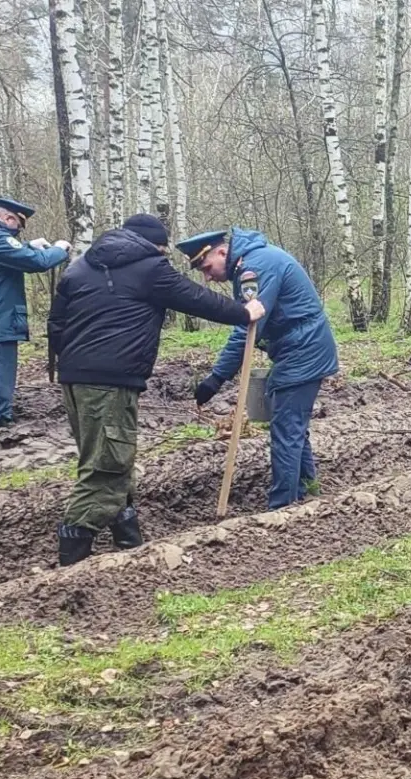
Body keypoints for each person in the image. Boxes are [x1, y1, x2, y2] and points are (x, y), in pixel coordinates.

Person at [46, 215, 266, 567]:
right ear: (158, 245)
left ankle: (127, 536)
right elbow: (194, 298)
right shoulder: (149, 267)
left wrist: (75, 361)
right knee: (108, 466)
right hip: (110, 381)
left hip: (75, 380)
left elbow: (56, 324)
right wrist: (243, 311)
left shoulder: (78, 267)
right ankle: (72, 556)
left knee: (107, 455)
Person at [182, 227, 340, 510]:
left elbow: (247, 327)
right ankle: (305, 490)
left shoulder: (254, 268)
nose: (207, 276)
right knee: (292, 426)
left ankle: (281, 507)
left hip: (303, 349)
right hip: (298, 347)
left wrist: (216, 378)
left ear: (221, 252)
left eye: (207, 267)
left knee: (286, 428)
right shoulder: (252, 261)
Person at [0, 197, 72, 434]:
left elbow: (7, 255)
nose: (17, 233)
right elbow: (37, 263)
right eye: (18, 228)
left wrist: (28, 244)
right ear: (9, 218)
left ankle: (0, 417)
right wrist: (59, 249)